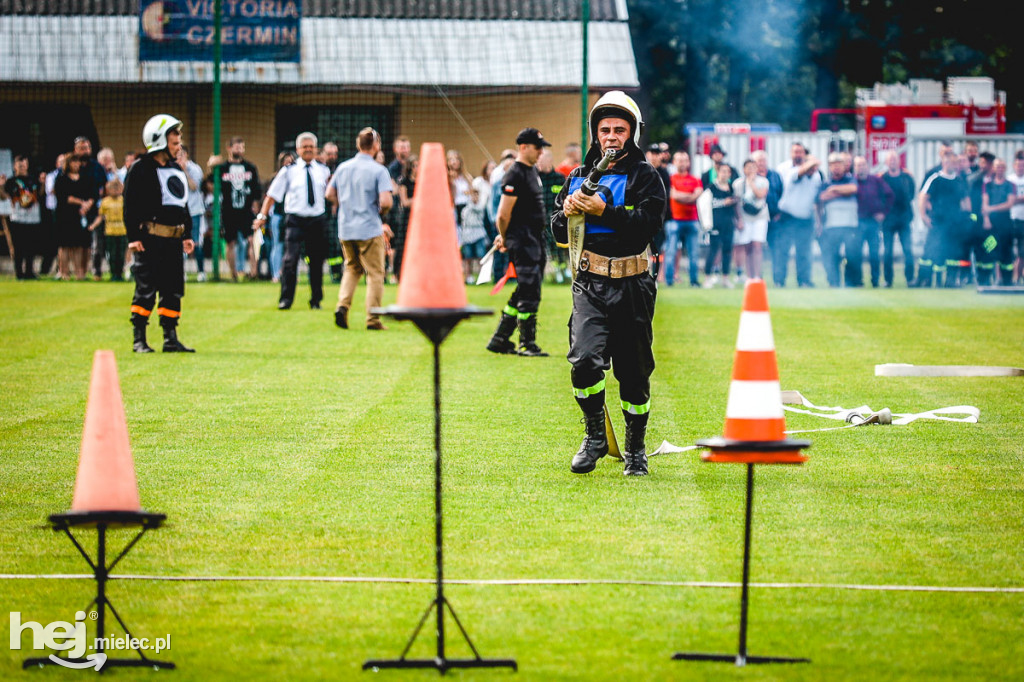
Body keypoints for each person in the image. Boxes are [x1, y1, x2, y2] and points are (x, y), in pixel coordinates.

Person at [551, 91, 666, 476]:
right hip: (590, 285)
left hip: (633, 284)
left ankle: (635, 448)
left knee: (634, 374)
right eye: (605, 130)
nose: (612, 136)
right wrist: (566, 210)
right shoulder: (577, 177)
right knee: (583, 361)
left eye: (619, 129)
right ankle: (595, 435)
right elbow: (556, 231)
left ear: (631, 133)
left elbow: (648, 223)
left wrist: (605, 210)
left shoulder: (646, 176)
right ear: (595, 134)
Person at [124, 114, 196, 353]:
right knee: (146, 289)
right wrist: (133, 237)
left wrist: (187, 233)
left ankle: (170, 337)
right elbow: (130, 205)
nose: (179, 145)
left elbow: (182, 204)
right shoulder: (140, 169)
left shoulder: (176, 168)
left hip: (173, 241)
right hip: (149, 240)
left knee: (172, 289)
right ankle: (139, 339)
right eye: (175, 140)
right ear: (159, 140)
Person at [485, 127, 552, 357]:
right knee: (530, 290)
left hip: (534, 240)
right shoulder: (515, 173)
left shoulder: (531, 170)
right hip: (523, 241)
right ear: (523, 147)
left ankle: (500, 339)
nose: (541, 152)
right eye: (538, 147)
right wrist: (504, 236)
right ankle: (526, 343)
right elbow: (503, 214)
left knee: (525, 288)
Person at [253, 133, 331, 310]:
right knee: (290, 259)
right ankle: (286, 299)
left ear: (316, 149)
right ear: (298, 150)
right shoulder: (289, 170)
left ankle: (316, 300)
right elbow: (272, 195)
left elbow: (332, 193)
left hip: (317, 219)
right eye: (305, 147)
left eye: (311, 146)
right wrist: (262, 216)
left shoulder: (323, 170)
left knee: (317, 261)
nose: (308, 149)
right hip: (295, 220)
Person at [327, 127, 394, 330]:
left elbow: (329, 193)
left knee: (352, 268)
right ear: (376, 146)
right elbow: (386, 201)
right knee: (375, 273)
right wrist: (379, 213)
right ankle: (373, 319)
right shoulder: (379, 170)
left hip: (346, 228)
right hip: (369, 229)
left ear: (358, 145)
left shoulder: (343, 167)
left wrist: (346, 205)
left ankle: (342, 306)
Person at [915, 149, 969, 287]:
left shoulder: (959, 180)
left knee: (953, 253)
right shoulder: (935, 178)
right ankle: (924, 279)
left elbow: (965, 202)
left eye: (956, 163)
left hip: (954, 223)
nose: (955, 165)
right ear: (945, 163)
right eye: (952, 163)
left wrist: (967, 217)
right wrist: (923, 216)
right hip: (938, 222)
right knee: (931, 250)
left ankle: (950, 280)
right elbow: (923, 196)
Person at [773, 142, 821, 287]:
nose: (798, 154)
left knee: (804, 252)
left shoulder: (817, 176)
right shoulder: (791, 171)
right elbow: (800, 173)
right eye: (796, 151)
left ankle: (804, 281)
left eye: (801, 152)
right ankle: (779, 281)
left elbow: (816, 200)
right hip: (788, 216)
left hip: (806, 218)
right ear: (791, 153)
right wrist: (812, 161)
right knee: (782, 251)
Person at [218, 136, 261, 281]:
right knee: (230, 242)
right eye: (237, 147)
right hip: (228, 211)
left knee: (251, 240)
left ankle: (253, 273)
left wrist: (255, 207)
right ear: (229, 148)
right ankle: (233, 274)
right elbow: (211, 186)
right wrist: (211, 167)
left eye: (242, 147)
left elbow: (256, 190)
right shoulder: (222, 168)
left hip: (246, 211)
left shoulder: (250, 168)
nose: (240, 150)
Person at [816, 152, 860, 288]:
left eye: (838, 164)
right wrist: (841, 192)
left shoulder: (850, 179)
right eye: (833, 165)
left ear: (843, 166)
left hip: (850, 225)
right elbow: (822, 198)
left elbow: (853, 189)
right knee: (832, 256)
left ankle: (850, 283)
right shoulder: (824, 183)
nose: (836, 168)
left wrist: (834, 189)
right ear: (829, 167)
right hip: (831, 226)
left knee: (851, 256)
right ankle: (834, 282)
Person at [54, 153, 97, 281]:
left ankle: (80, 273)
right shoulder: (61, 178)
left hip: (80, 215)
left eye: (77, 162)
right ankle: (64, 272)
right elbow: (64, 197)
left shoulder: (84, 178)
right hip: (65, 215)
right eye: (73, 162)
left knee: (78, 245)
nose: (76, 164)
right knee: (65, 245)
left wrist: (87, 205)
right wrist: (81, 203)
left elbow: (92, 194)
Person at [662, 150, 702, 287]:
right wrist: (689, 197)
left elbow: (697, 195)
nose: (682, 163)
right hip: (674, 220)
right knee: (671, 252)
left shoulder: (695, 179)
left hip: (692, 220)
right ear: (674, 162)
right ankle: (669, 280)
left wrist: (681, 196)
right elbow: (673, 195)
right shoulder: (670, 179)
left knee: (694, 253)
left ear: (689, 162)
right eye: (679, 160)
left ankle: (694, 281)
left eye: (685, 160)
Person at [852, 155, 894, 287]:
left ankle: (875, 281)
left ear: (867, 166)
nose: (861, 167)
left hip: (872, 223)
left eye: (863, 164)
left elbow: (890, 195)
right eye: (858, 165)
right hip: (857, 223)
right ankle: (857, 281)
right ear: (854, 168)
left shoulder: (876, 180)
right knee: (856, 253)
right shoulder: (851, 182)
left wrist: (884, 212)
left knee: (874, 254)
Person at [879, 151, 916, 287]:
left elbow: (911, 194)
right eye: (890, 160)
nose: (893, 162)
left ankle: (910, 279)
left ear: (899, 162)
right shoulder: (882, 178)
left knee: (908, 250)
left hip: (904, 219)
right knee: (887, 251)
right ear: (887, 163)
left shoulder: (907, 177)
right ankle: (888, 280)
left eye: (895, 159)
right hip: (888, 220)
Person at [2, 155, 43, 279]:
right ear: (15, 166)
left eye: (24, 164)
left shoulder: (33, 180)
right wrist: (1, 186)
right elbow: (4, 197)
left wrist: (43, 184)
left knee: (31, 246)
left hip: (33, 218)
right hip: (17, 217)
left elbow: (40, 195)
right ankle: (19, 273)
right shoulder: (11, 181)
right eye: (19, 165)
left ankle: (30, 272)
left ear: (27, 165)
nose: (22, 167)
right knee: (18, 247)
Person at [733, 158, 770, 281]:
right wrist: (739, 219)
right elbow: (737, 203)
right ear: (743, 169)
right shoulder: (738, 184)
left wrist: (751, 183)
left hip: (760, 217)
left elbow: (760, 195)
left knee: (757, 245)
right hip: (745, 217)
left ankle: (758, 276)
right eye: (748, 167)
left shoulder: (763, 181)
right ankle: (750, 276)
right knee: (747, 247)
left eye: (753, 167)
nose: (751, 170)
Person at [702, 163, 738, 288]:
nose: (725, 174)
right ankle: (707, 277)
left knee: (727, 250)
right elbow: (704, 204)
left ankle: (726, 278)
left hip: (728, 223)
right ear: (718, 173)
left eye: (727, 172)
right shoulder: (711, 188)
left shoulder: (731, 188)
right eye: (723, 171)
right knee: (713, 250)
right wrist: (723, 203)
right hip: (715, 224)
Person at [536, 148, 569, 282]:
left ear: (549, 160)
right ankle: (553, 272)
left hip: (558, 218)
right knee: (546, 247)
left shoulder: (559, 178)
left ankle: (563, 269)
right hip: (540, 219)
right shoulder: (535, 178)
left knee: (561, 245)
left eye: (541, 159)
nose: (539, 163)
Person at [980, 157, 1013, 286]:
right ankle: (985, 281)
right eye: (997, 166)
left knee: (1006, 253)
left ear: (1005, 169)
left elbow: (1009, 204)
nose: (999, 169)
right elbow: (984, 204)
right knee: (989, 250)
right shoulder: (987, 185)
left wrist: (992, 208)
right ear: (993, 168)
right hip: (991, 225)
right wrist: (986, 220)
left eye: (1002, 167)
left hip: (1006, 225)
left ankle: (1007, 281)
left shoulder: (1010, 185)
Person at [177, 144, 206, 281]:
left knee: (196, 242)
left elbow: (194, 187)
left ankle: (201, 272)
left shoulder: (195, 169)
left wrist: (185, 172)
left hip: (194, 211)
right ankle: (181, 272)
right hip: (179, 211)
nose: (179, 156)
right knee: (179, 243)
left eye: (181, 154)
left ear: (186, 155)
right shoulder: (172, 168)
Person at [90, 179, 128, 281]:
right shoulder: (105, 202)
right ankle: (113, 274)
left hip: (122, 230)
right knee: (112, 254)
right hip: (110, 231)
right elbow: (101, 216)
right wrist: (93, 225)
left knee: (121, 254)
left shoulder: (124, 200)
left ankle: (120, 274)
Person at [266, 150, 295, 283]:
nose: (289, 163)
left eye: (291, 161)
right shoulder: (276, 177)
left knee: (291, 246)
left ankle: (291, 274)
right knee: (277, 245)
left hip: (291, 215)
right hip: (278, 216)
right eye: (286, 161)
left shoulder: (297, 176)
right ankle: (276, 274)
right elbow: (270, 198)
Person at [459, 184, 488, 283]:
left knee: (481, 256)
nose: (474, 197)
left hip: (478, 233)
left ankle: (482, 277)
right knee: (468, 258)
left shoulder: (480, 207)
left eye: (476, 195)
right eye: (473, 195)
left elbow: (477, 209)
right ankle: (469, 277)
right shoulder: (465, 210)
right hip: (468, 235)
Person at [1004, 151, 1024, 285]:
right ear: (1013, 165)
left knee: (1022, 252)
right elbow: (1007, 200)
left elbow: (1011, 200)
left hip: (1023, 220)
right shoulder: (1009, 180)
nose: (1020, 167)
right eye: (1018, 165)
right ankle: (1008, 278)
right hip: (1010, 219)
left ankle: (1017, 277)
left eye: (1022, 165)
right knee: (1009, 250)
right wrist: (1016, 200)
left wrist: (1013, 200)